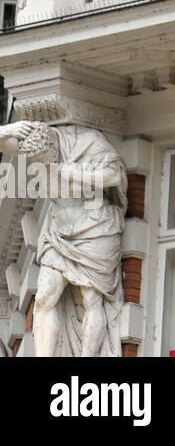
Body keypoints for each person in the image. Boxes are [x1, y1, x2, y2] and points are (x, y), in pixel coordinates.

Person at [0, 121, 125, 357]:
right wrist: (8, 130)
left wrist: (75, 172)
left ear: (54, 145)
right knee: (45, 294)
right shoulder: (34, 143)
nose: (45, 166)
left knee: (91, 298)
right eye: (39, 164)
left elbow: (115, 174)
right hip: (59, 224)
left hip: (95, 223)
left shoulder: (87, 141)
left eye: (48, 159)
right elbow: (4, 144)